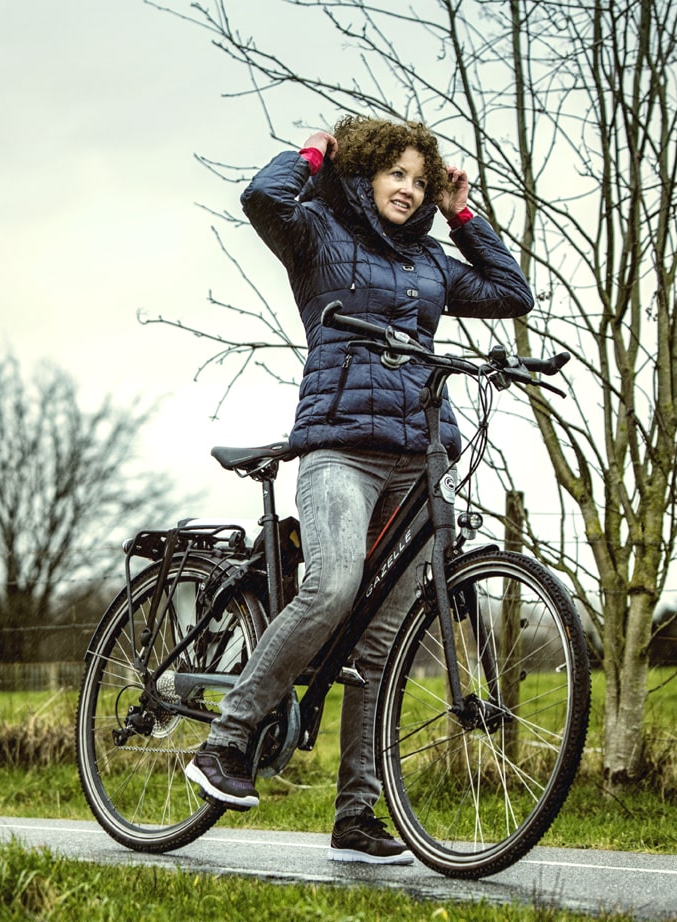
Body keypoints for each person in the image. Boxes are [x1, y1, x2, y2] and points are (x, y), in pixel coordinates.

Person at [184, 117, 534, 865]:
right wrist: (315, 155)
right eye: (395, 175)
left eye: (420, 179)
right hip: (340, 448)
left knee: (381, 645)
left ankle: (357, 815)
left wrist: (465, 212)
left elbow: (512, 292)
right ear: (367, 174)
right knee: (334, 585)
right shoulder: (317, 234)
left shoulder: (435, 263)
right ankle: (228, 738)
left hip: (417, 454)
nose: (408, 189)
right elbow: (262, 198)